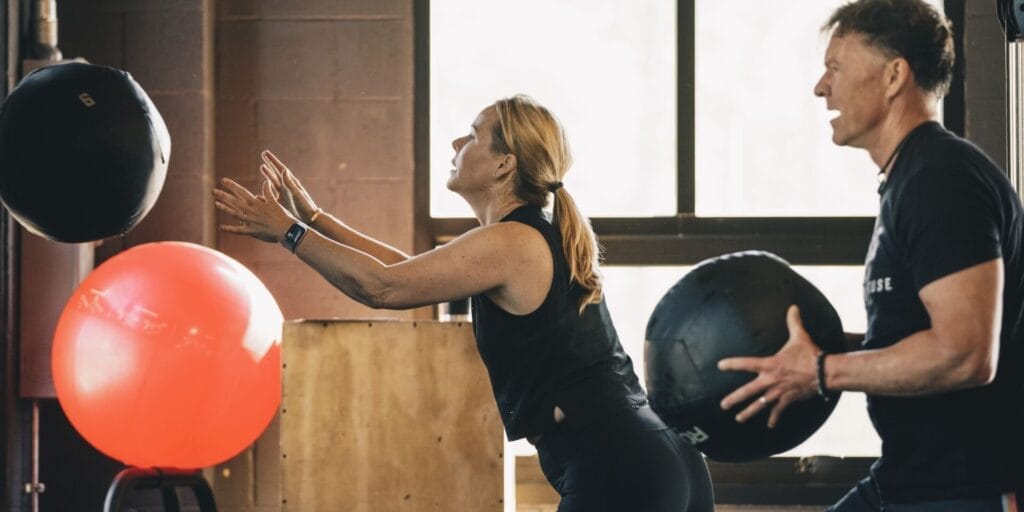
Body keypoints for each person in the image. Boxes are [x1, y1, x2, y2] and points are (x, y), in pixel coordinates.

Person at [213, 94, 714, 511]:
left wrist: (288, 233)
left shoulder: (512, 242)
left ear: (504, 163)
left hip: (621, 466)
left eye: (472, 134)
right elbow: (404, 269)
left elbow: (383, 287)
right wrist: (316, 220)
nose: (456, 143)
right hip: (660, 458)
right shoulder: (519, 239)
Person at [717, 1, 1024, 510]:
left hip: (968, 488)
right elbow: (919, 334)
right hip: (909, 477)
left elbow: (966, 354)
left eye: (836, 67)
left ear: (893, 76)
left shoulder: (941, 181)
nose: (821, 86)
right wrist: (822, 346)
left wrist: (821, 372)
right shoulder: (910, 178)